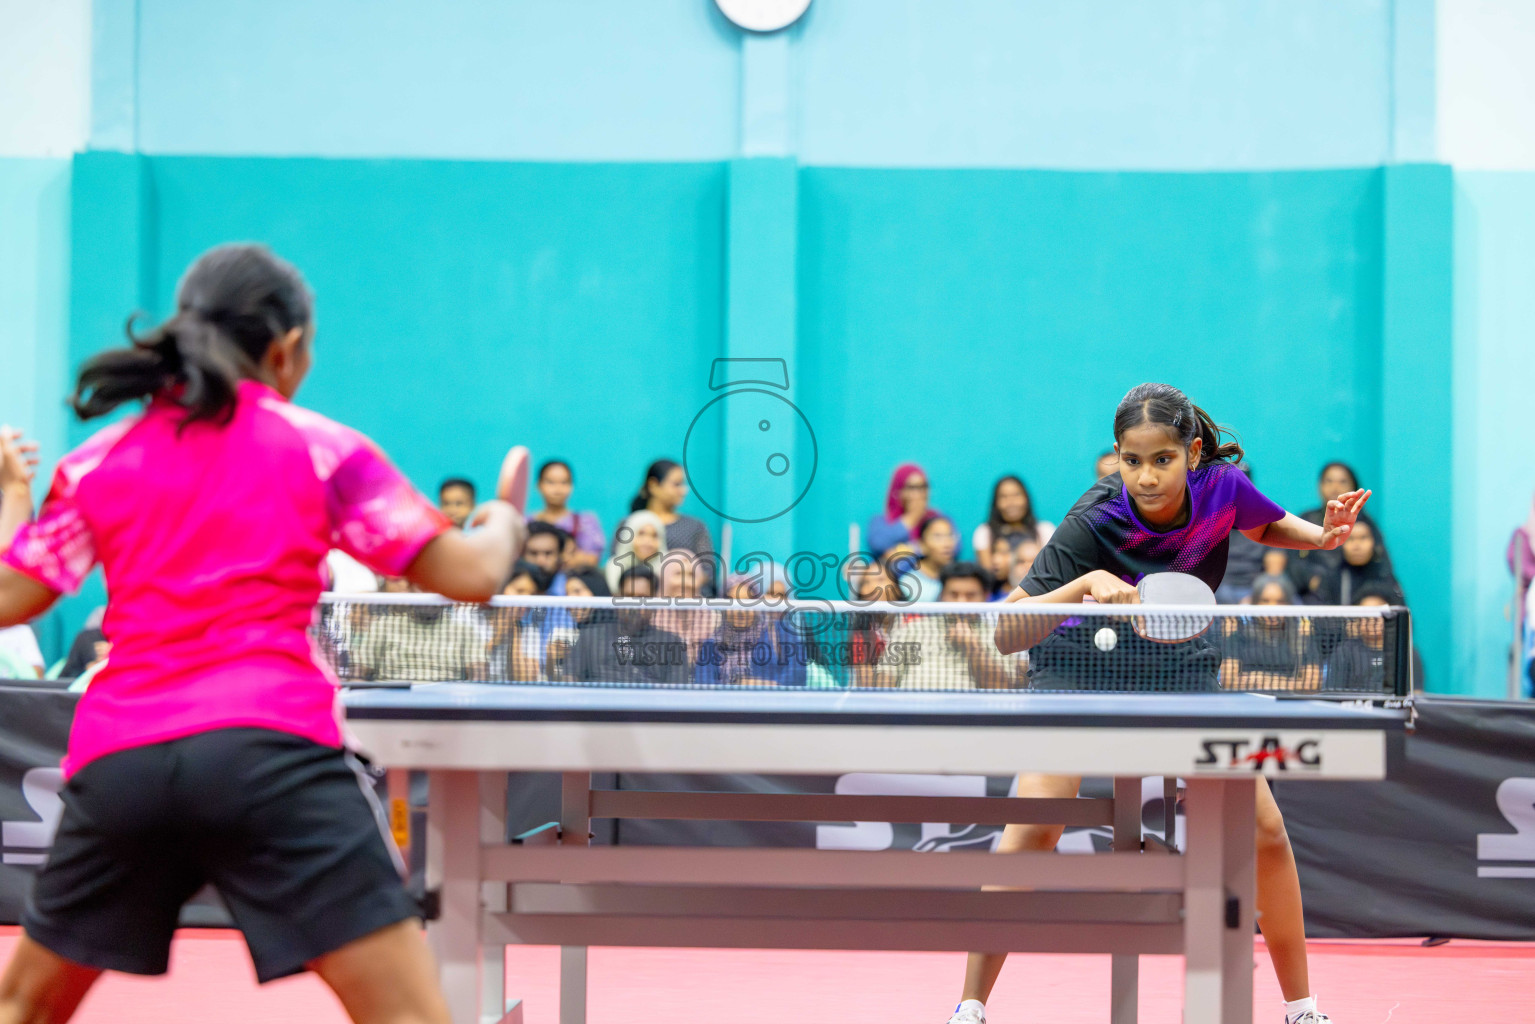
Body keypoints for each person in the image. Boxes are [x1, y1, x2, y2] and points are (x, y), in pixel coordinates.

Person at [0, 244, 525, 1024]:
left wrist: (14, 495)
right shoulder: (321, 448)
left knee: (23, 1009)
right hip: (270, 754)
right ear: (284, 350)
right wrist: (505, 519)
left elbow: (12, 594)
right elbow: (471, 576)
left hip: (124, 765)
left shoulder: (98, 461)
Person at [951, 382, 1368, 1024]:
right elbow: (1008, 630)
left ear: (1192, 454)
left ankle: (1302, 1008)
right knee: (1036, 824)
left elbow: (1263, 521)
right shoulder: (1094, 517)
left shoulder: (1222, 487)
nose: (1145, 477)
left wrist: (1322, 537)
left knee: (1261, 829)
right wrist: (1087, 583)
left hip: (1176, 664)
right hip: (1077, 668)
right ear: (1116, 456)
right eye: (1131, 460)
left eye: (1162, 460)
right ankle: (970, 1006)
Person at [878, 563, 1020, 690]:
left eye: (970, 596)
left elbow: (1003, 687)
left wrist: (973, 646)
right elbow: (884, 680)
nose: (961, 603)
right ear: (942, 595)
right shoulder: (911, 630)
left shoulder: (999, 637)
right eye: (953, 594)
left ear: (986, 596)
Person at [560, 565, 688, 686]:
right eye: (628, 596)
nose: (634, 605)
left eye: (642, 598)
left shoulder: (673, 644)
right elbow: (569, 680)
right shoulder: (589, 637)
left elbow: (677, 694)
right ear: (617, 598)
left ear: (654, 603)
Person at [352, 578, 489, 682]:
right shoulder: (383, 626)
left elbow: (480, 679)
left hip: (447, 707)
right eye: (422, 589)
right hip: (391, 706)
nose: (427, 597)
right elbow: (357, 675)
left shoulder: (465, 632)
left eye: (433, 591)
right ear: (410, 590)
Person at [1288, 461, 1389, 600]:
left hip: (1356, 593)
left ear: (1353, 487)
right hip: (1311, 596)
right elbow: (1291, 561)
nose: (1335, 488)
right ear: (1320, 486)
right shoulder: (1306, 519)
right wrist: (1312, 579)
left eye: (1342, 482)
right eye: (1329, 481)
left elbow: (1382, 568)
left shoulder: (1364, 524)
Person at [693, 573, 806, 687]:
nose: (740, 611)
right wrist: (737, 687)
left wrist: (766, 686)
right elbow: (704, 685)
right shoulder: (711, 644)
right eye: (733, 603)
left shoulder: (781, 633)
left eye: (747, 602)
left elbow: (798, 674)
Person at [622, 459, 716, 595]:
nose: (683, 491)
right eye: (676, 484)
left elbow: (707, 571)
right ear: (653, 485)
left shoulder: (694, 527)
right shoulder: (629, 524)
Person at [1219, 575, 1322, 690]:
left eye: (1279, 601)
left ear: (1289, 604)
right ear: (1255, 603)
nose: (1272, 607)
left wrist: (1260, 679)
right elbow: (1228, 681)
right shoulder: (1237, 633)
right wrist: (1290, 682)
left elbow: (1313, 684)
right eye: (1265, 600)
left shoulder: (1302, 635)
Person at [1307, 519, 1403, 607]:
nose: (1357, 545)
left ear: (1374, 542)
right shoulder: (1331, 577)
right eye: (1350, 539)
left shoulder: (1385, 576)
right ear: (1341, 544)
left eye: (1363, 538)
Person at [972, 475, 1054, 574]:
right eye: (1004, 497)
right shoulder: (984, 532)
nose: (1011, 502)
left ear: (1026, 498)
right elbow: (987, 572)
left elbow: (1051, 569)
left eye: (1016, 495)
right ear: (996, 503)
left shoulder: (1044, 530)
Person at [531, 460, 603, 572]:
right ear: (538, 485)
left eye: (564, 482)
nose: (558, 489)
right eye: (550, 482)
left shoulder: (585, 522)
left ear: (571, 486)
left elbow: (593, 559)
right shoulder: (526, 523)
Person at [1323, 584, 1394, 691]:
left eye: (1376, 615)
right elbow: (1332, 695)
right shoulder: (1344, 652)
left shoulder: (1404, 653)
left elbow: (1414, 696)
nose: (1371, 620)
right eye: (1365, 616)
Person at [866, 463, 944, 558]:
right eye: (912, 488)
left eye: (924, 486)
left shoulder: (937, 519)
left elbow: (950, 545)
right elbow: (879, 543)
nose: (920, 493)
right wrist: (912, 518)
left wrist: (903, 552)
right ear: (898, 491)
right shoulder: (881, 521)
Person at [604, 509, 667, 593]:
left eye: (654, 536)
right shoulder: (615, 568)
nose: (647, 541)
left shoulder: (668, 569)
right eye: (641, 533)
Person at [905, 516, 959, 603]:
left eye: (950, 535)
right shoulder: (907, 583)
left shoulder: (961, 579)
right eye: (938, 537)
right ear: (922, 544)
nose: (947, 544)